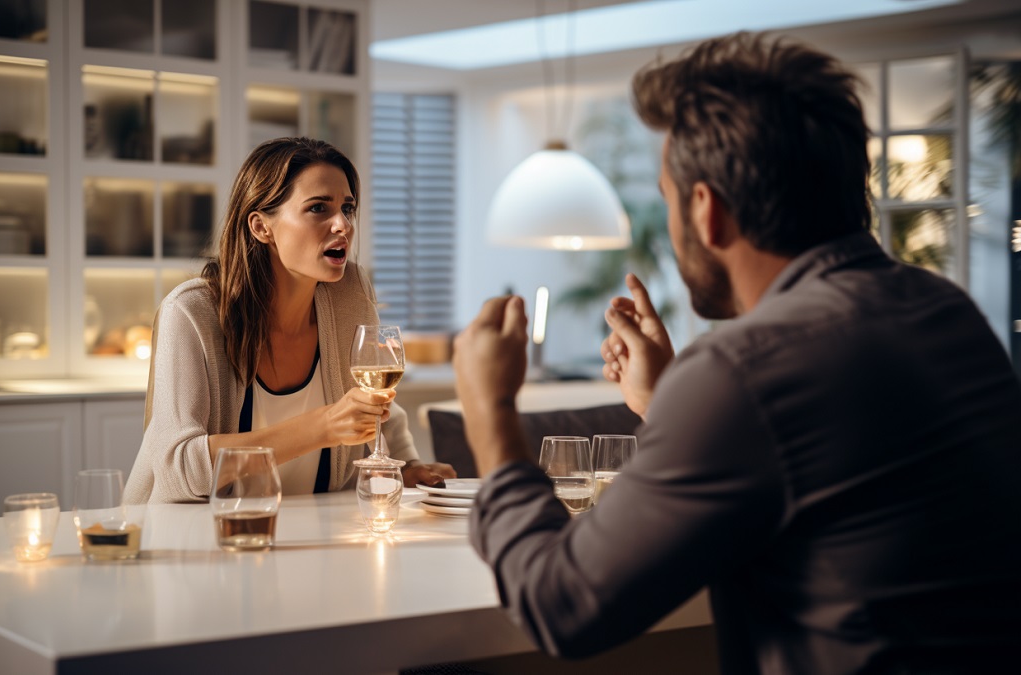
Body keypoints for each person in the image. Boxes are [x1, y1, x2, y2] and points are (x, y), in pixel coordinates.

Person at [453, 32, 1021, 673]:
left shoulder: (746, 371)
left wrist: (490, 411)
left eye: (667, 197)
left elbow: (562, 605)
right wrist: (670, 402)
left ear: (707, 210)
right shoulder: (944, 309)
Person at [125, 137, 454, 504]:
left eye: (348, 208)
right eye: (318, 208)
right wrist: (323, 426)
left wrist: (406, 465)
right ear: (261, 227)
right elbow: (178, 471)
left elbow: (378, 407)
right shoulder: (190, 313)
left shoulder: (350, 294)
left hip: (312, 533)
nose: (342, 225)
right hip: (188, 540)